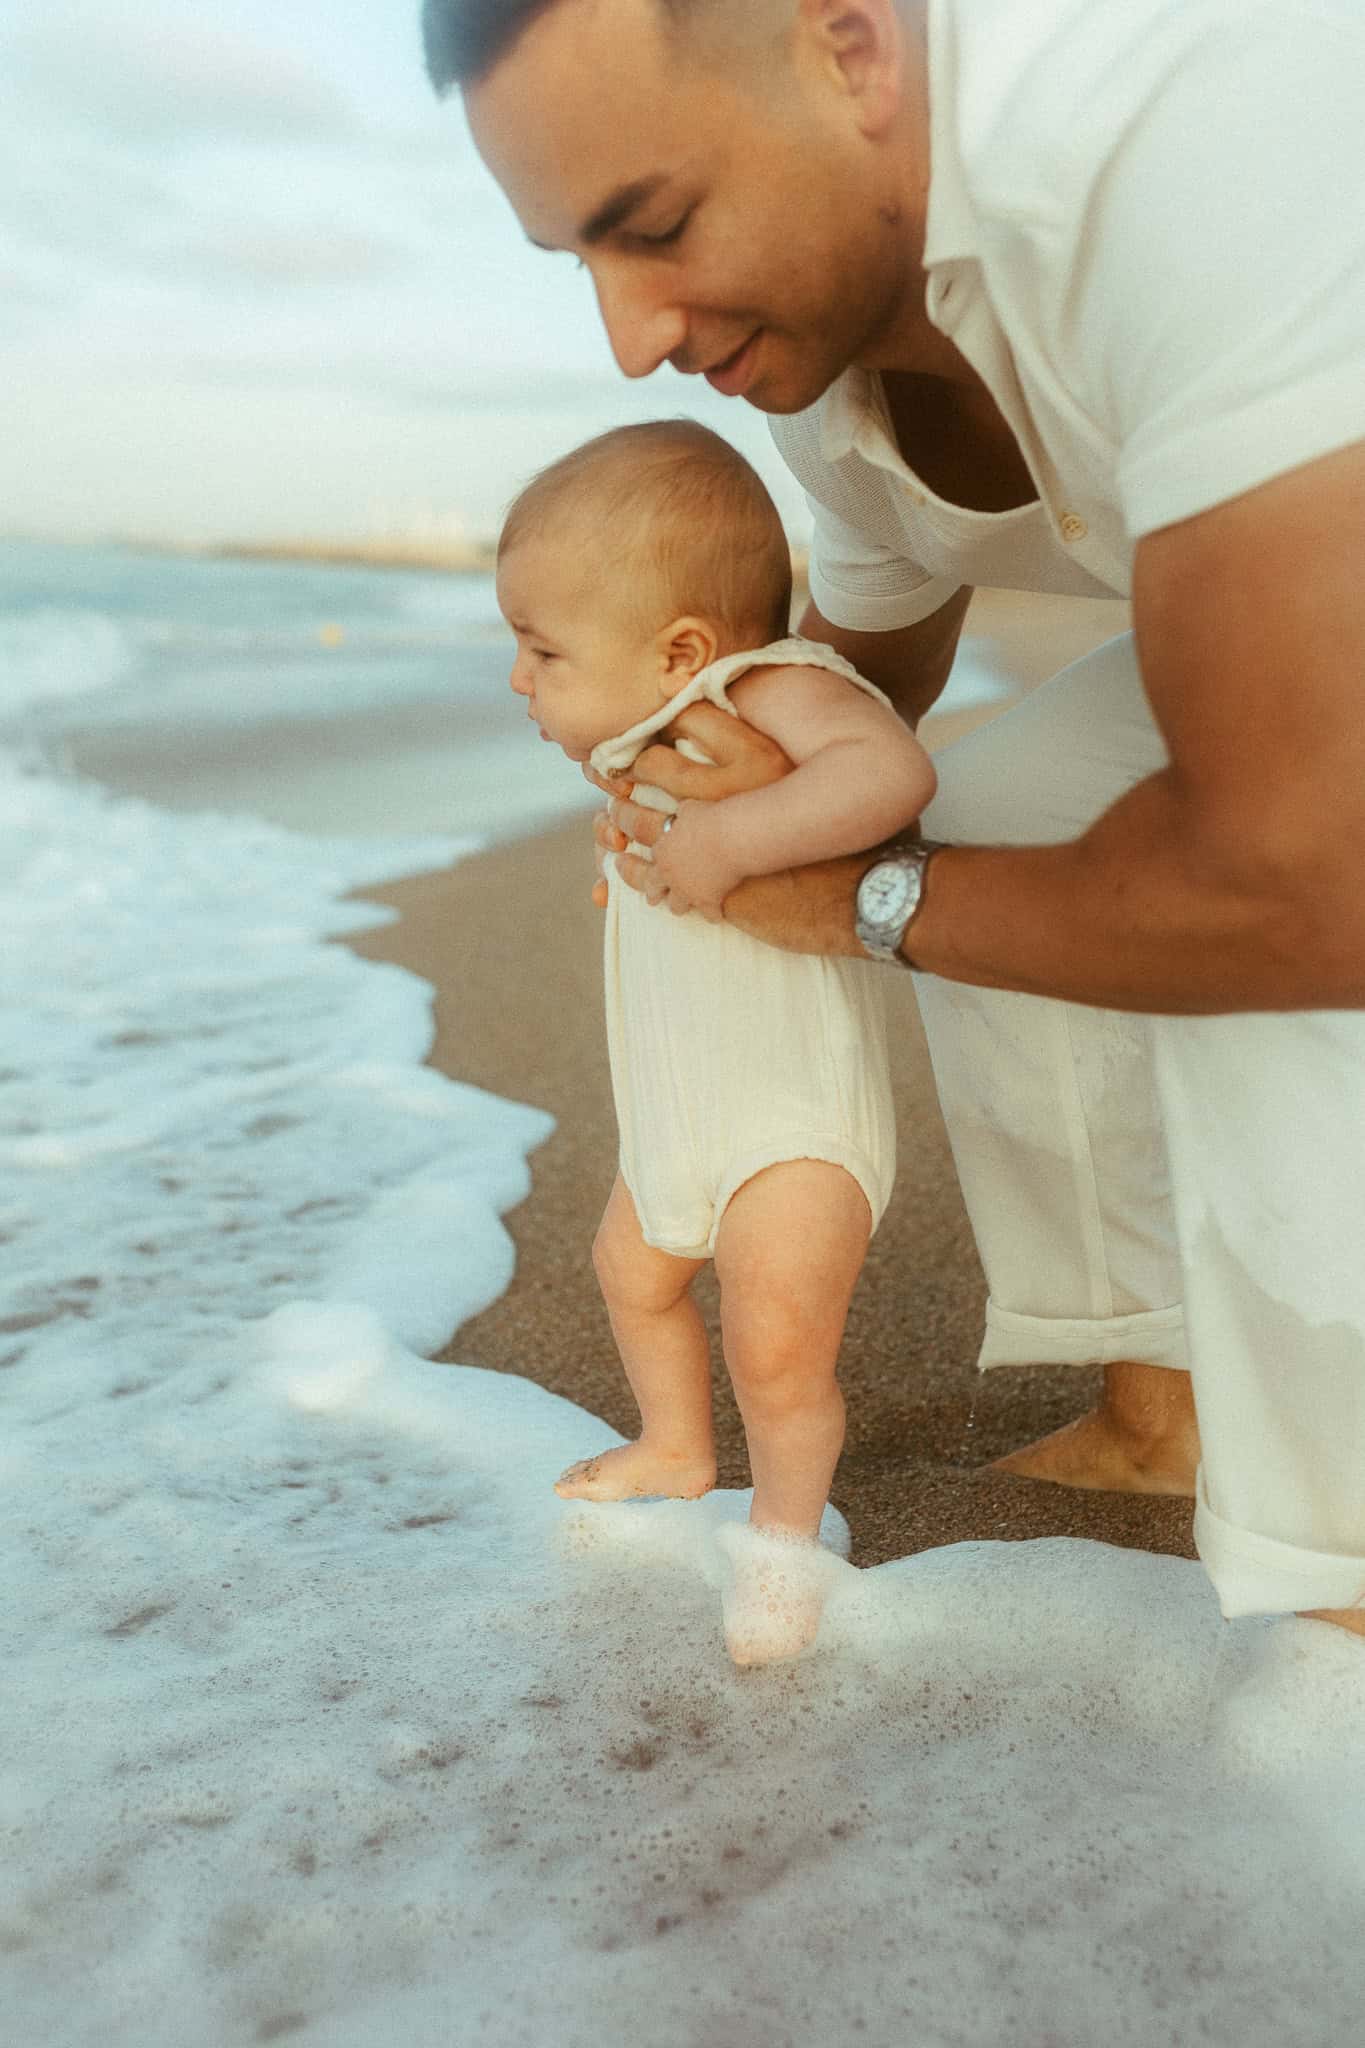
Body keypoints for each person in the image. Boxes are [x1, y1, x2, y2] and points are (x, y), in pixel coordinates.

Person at [425, 0, 1365, 1639]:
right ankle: (1162, 1402)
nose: (629, 337)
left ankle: (1336, 1579)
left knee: (1252, 924)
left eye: (652, 226)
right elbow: (848, 695)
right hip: (1293, 611)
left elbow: (1307, 874)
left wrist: (861, 900)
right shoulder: (825, 380)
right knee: (1015, 808)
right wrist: (712, 802)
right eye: (573, 260)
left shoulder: (1174, 130)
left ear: (849, 50)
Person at [495, 419, 935, 1662]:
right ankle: (679, 1446)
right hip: (678, 1119)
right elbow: (661, 843)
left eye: (542, 649)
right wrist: (631, 857)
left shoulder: (767, 688)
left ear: (681, 648)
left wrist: (734, 843)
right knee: (634, 1272)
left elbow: (890, 772)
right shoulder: (650, 747)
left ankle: (786, 1541)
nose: (518, 679)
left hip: (793, 1119)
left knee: (777, 1340)